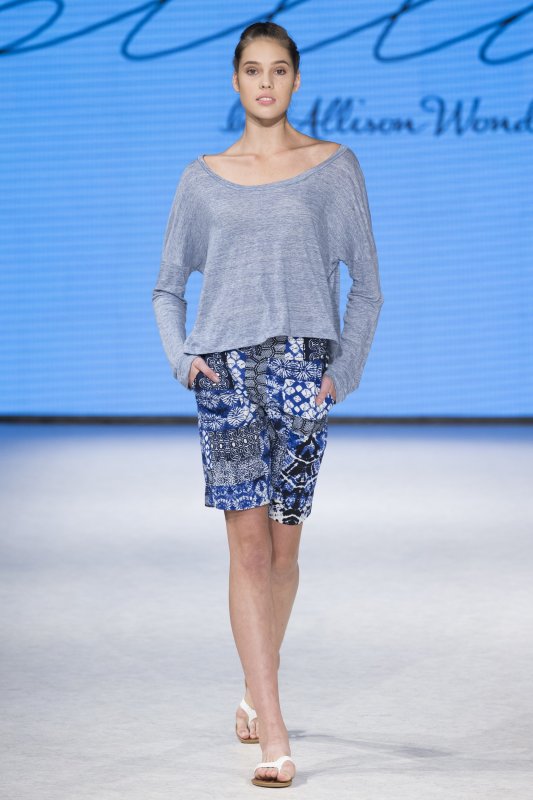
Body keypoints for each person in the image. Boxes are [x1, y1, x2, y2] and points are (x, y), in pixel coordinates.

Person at [152, 21, 384, 789]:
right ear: (235, 80)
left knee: (284, 550)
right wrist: (183, 359)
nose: (264, 83)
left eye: (277, 70)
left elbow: (366, 286)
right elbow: (167, 286)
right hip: (224, 376)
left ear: (295, 79)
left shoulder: (332, 168)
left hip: (300, 370)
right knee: (247, 549)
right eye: (251, 70)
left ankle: (255, 686)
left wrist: (341, 373)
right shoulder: (203, 178)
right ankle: (273, 729)